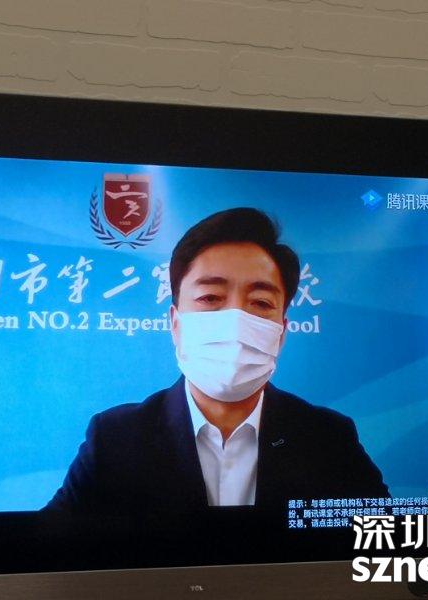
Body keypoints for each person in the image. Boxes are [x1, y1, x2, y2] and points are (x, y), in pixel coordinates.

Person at [46, 208, 388, 516]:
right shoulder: (115, 439)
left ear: (282, 332)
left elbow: (388, 539)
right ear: (176, 324)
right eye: (210, 297)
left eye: (260, 302)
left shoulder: (328, 438)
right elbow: (50, 547)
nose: (236, 320)